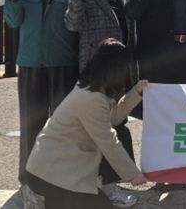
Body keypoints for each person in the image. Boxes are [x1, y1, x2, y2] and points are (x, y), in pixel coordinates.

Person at [21, 39, 148, 209]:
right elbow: (109, 142)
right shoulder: (93, 100)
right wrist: (133, 174)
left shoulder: (89, 89)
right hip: (52, 177)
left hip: (53, 172)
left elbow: (111, 119)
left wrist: (135, 93)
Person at [3, 0, 78, 185]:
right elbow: (13, 21)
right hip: (31, 63)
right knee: (31, 123)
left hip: (64, 63)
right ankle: (30, 179)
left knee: (63, 124)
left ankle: (62, 177)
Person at [64, 0, 137, 207]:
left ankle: (108, 185)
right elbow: (71, 24)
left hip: (121, 70)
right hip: (96, 72)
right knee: (99, 128)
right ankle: (100, 186)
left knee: (117, 122)